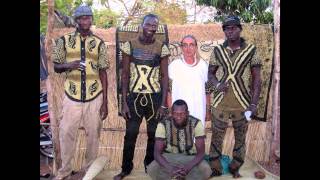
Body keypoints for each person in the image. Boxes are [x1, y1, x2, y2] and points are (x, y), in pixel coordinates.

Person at [51, 5, 109, 180]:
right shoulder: (64, 41)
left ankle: (87, 173)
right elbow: (56, 66)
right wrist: (70, 65)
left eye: (88, 18)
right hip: (72, 95)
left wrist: (105, 101)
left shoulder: (99, 43)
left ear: (91, 20)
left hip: (94, 96)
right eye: (82, 18)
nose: (86, 21)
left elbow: (103, 72)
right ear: (76, 21)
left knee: (93, 136)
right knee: (67, 133)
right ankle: (65, 172)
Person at [114, 14, 170, 180]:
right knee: (130, 134)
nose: (152, 28)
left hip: (155, 98)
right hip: (134, 98)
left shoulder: (162, 47)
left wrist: (164, 104)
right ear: (142, 25)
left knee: (153, 134)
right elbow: (124, 75)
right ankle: (125, 168)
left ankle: (150, 166)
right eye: (149, 24)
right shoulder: (129, 45)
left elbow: (165, 76)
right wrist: (123, 102)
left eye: (155, 25)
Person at [207, 15, 262, 178]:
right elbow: (210, 74)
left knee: (240, 139)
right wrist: (217, 84)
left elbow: (257, 80)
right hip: (220, 102)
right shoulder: (217, 50)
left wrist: (253, 104)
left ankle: (235, 166)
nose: (229, 31)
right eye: (226, 28)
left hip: (243, 103)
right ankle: (215, 168)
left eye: (233, 28)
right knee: (216, 138)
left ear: (240, 28)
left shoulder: (251, 50)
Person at [147, 99, 212, 180]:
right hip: (169, 157)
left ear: (187, 113)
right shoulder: (163, 124)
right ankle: (181, 176)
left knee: (206, 170)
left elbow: (201, 153)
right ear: (172, 113)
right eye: (176, 114)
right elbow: (157, 154)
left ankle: (177, 176)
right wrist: (171, 169)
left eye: (182, 114)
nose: (179, 117)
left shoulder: (196, 123)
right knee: (151, 169)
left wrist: (187, 168)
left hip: (190, 157)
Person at [168, 35, 209, 127]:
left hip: (198, 109)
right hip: (179, 112)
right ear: (181, 48)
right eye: (185, 45)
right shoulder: (174, 66)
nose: (188, 48)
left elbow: (207, 91)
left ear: (195, 47)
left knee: (197, 137)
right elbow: (168, 91)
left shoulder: (203, 66)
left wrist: (208, 109)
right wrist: (171, 111)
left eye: (191, 45)